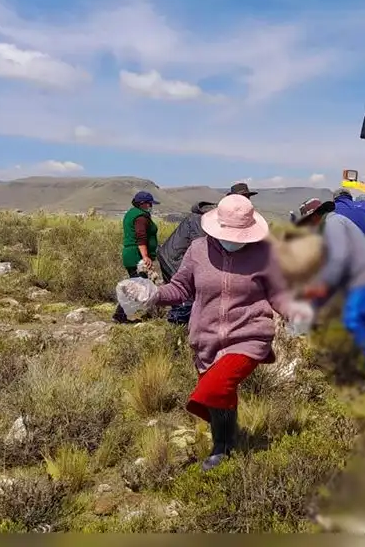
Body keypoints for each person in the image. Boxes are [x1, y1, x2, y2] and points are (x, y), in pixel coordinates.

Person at [141, 194, 312, 471]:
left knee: (212, 390)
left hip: (249, 336)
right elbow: (181, 289)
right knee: (222, 399)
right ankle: (224, 446)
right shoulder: (198, 250)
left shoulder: (265, 254)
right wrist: (152, 295)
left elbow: (279, 294)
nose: (236, 239)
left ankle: (224, 439)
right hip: (205, 339)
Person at [292, 197, 365, 390]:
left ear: (315, 217)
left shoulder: (333, 224)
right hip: (358, 276)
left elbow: (339, 259)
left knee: (354, 320)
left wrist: (320, 286)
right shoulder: (331, 225)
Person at [156, 201, 217, 324]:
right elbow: (201, 245)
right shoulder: (198, 220)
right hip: (174, 259)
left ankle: (178, 324)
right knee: (184, 293)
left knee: (182, 294)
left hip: (171, 256)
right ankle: (178, 326)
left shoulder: (196, 218)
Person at [114, 190, 159, 324]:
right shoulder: (140, 217)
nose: (151, 206)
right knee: (135, 286)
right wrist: (145, 256)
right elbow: (141, 237)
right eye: (149, 203)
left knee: (139, 285)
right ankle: (120, 315)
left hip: (131, 254)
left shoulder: (131, 213)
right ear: (143, 203)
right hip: (136, 256)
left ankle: (126, 314)